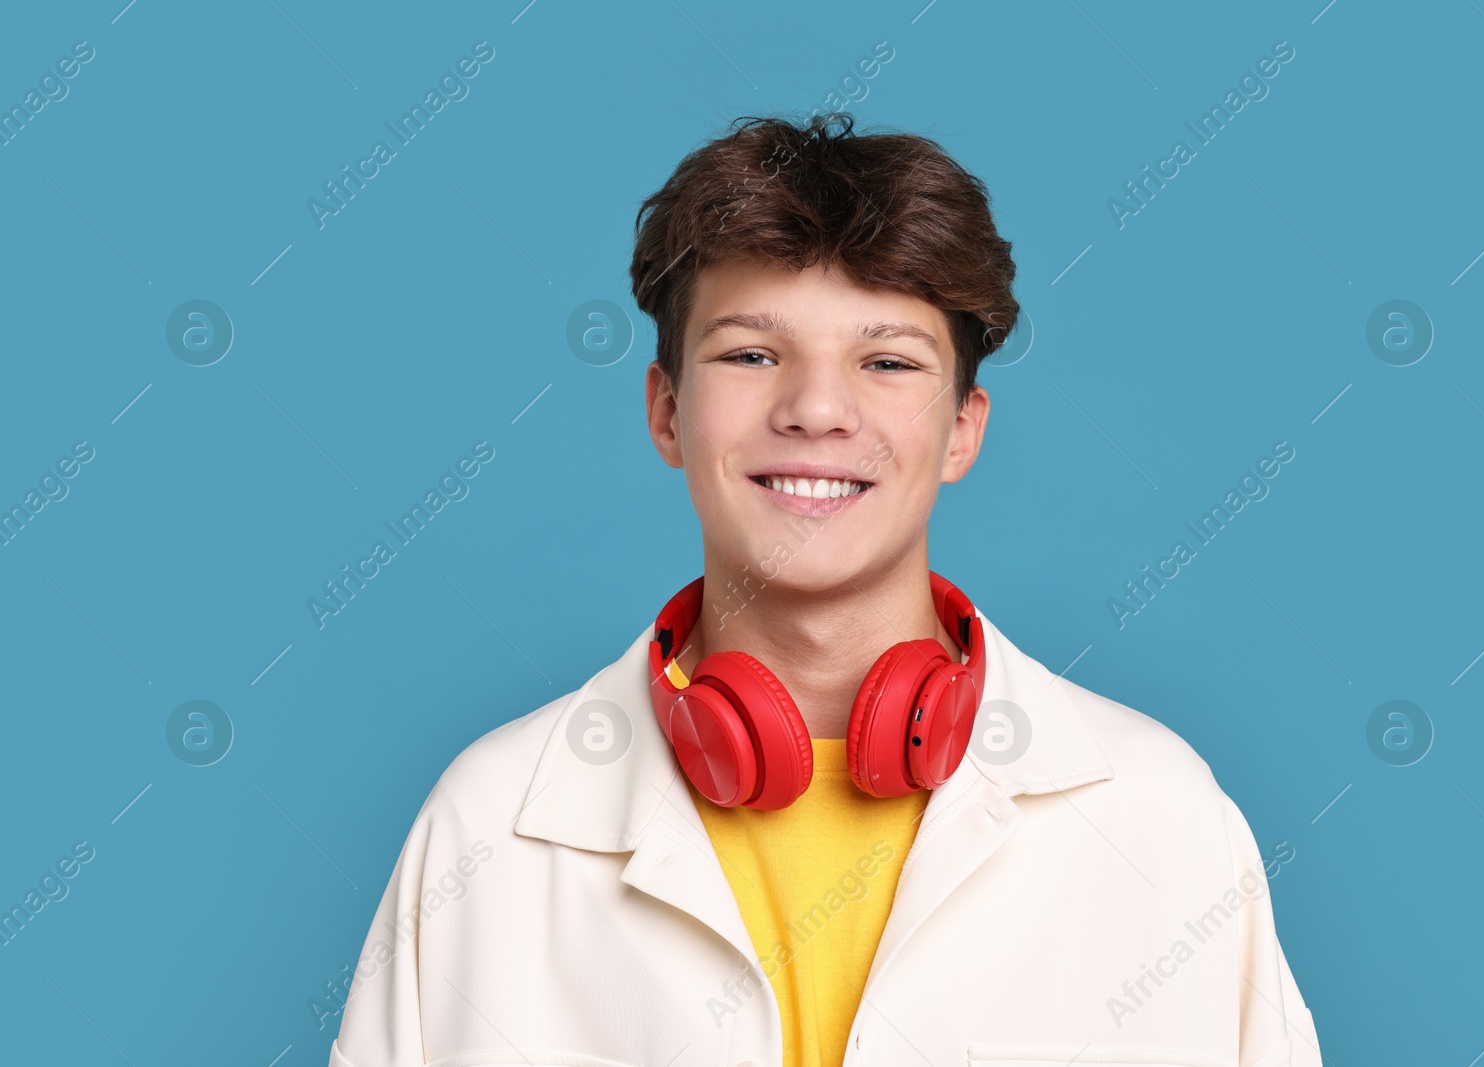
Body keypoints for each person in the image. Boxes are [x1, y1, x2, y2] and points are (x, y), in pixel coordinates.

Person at [329, 113, 1322, 1067]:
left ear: (964, 429)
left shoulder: (1160, 818)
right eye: (752, 354)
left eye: (887, 361)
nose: (814, 408)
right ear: (666, 411)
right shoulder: (489, 823)